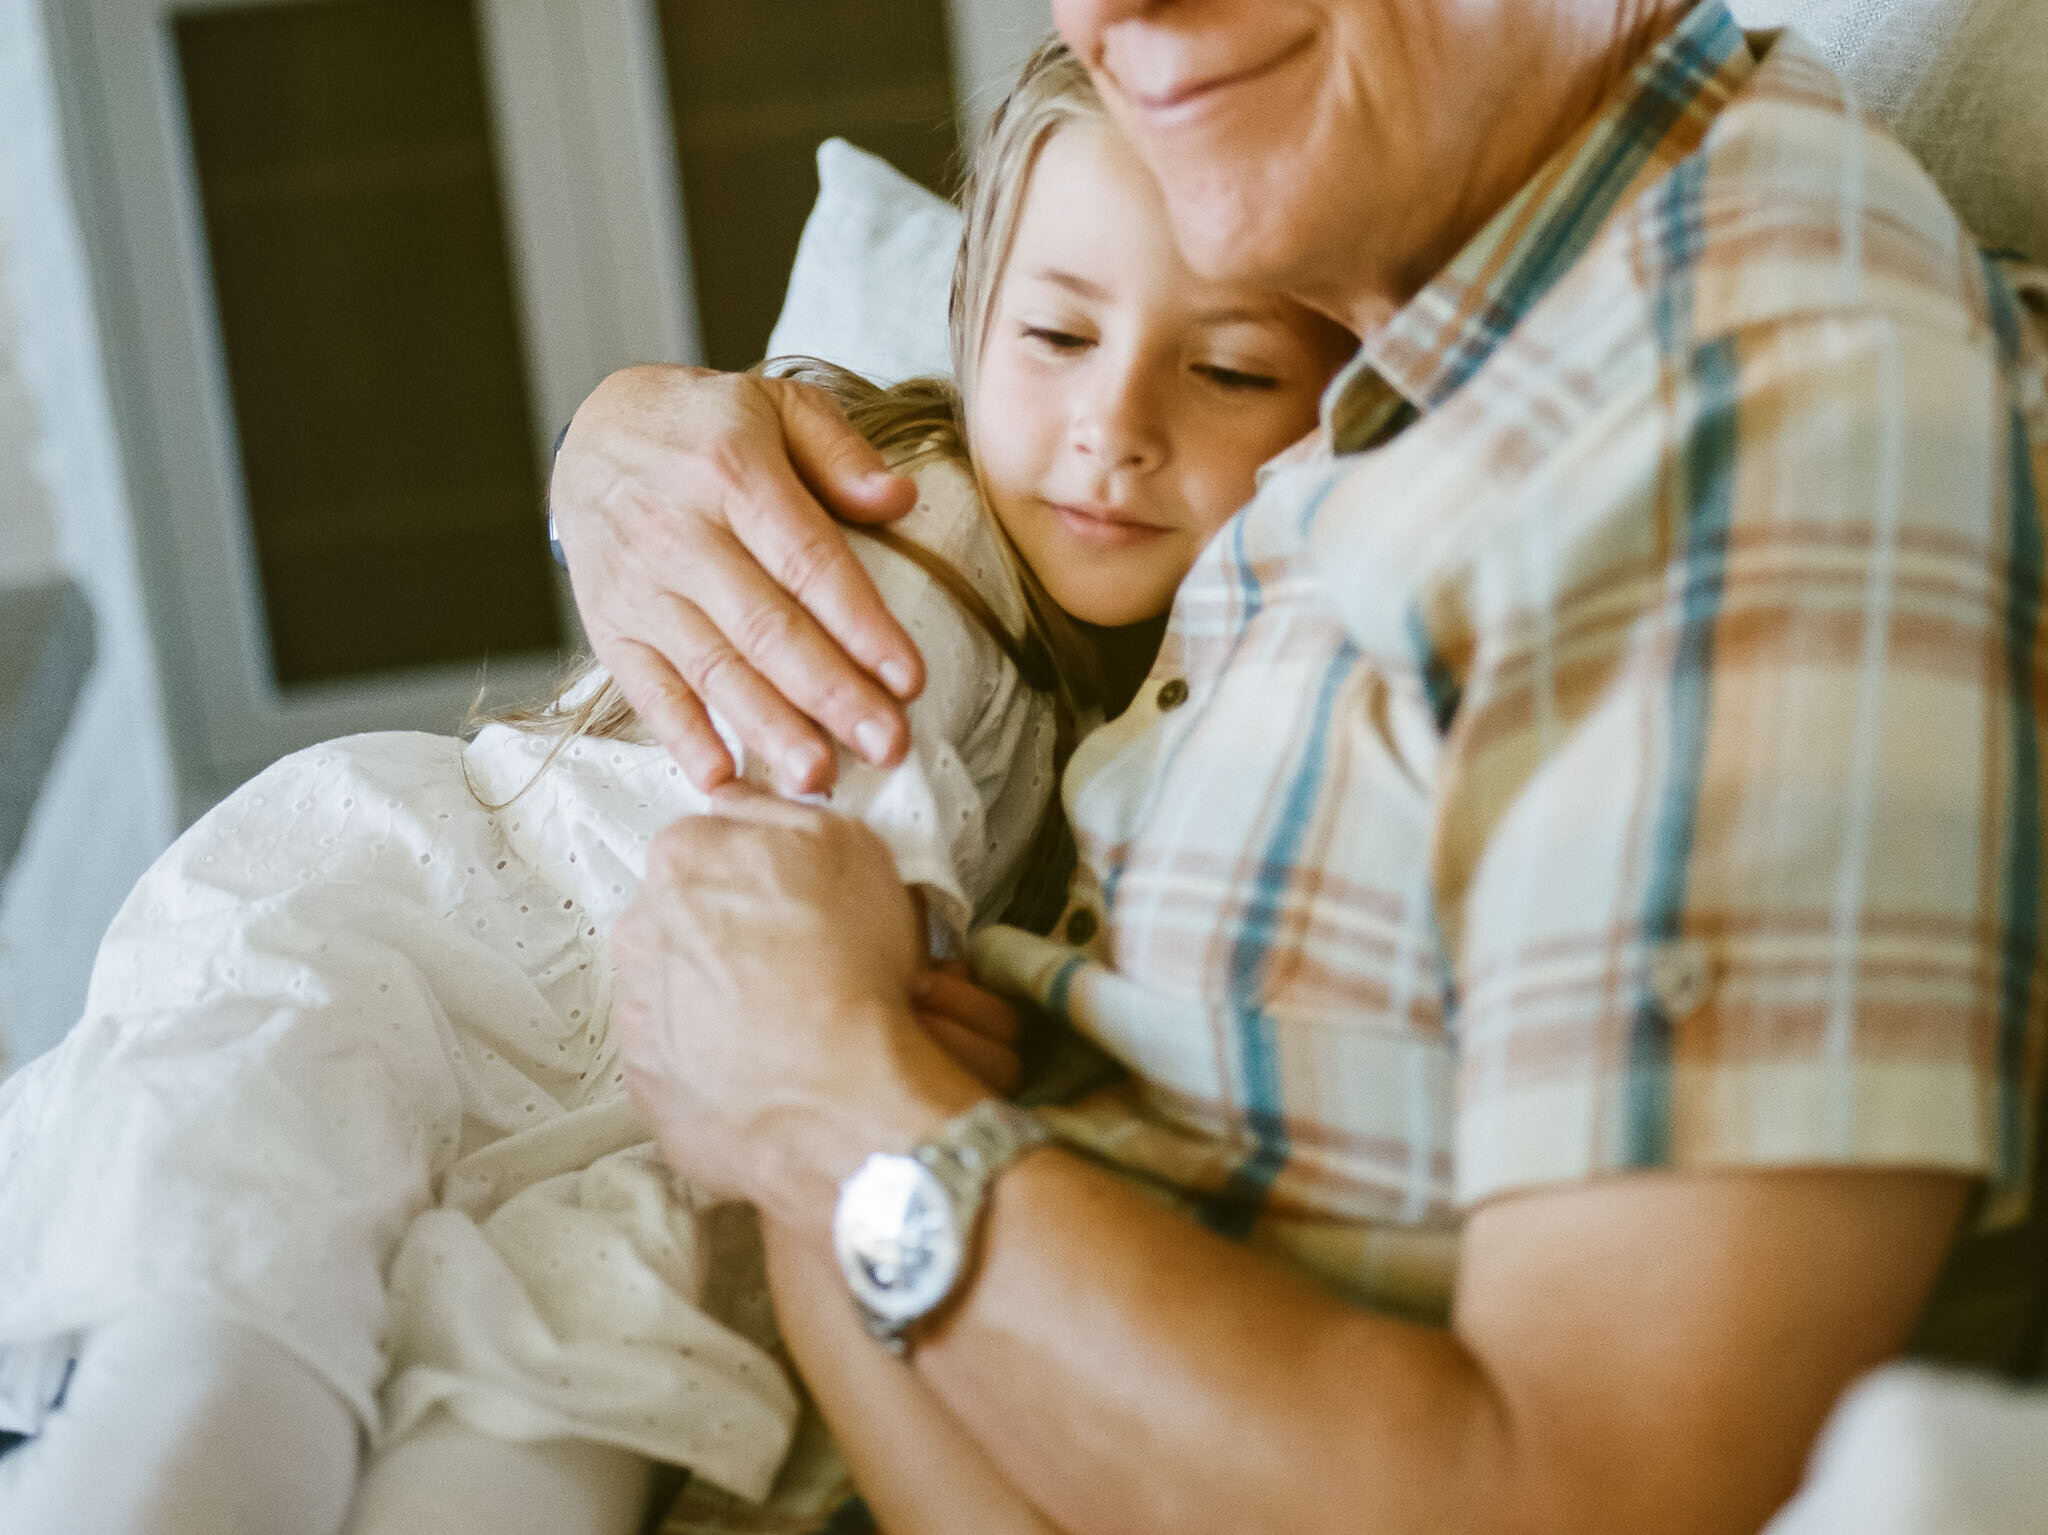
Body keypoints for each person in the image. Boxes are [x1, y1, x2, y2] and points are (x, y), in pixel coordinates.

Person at [553, 1, 2048, 1532]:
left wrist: (824, 1110)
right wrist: (615, 446)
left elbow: (1585, 1499)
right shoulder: (1407, 333)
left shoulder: (1746, 435)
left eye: (1220, 368)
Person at [0, 42, 1355, 1535]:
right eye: (1053, 335)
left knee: (546, 1419)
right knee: (221, 1351)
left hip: (649, 1138)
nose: (1114, 426)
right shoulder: (920, 536)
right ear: (969, 319)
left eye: (1228, 370)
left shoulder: (1144, 704)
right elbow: (810, 862)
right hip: (438, 968)